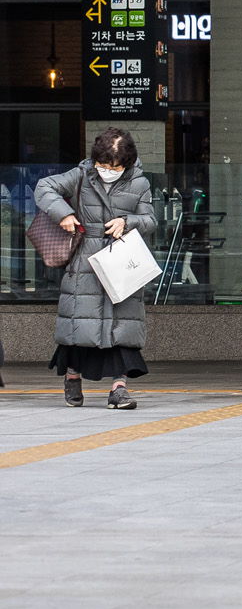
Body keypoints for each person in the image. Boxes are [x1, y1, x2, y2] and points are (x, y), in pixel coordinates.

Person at [36, 127, 156, 409]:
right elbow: (45, 187)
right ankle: (73, 378)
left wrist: (128, 221)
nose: (107, 171)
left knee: (121, 328)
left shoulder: (139, 183)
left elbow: (150, 220)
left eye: (113, 167)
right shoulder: (81, 175)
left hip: (121, 259)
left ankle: (119, 389)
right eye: (102, 166)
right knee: (80, 326)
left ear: (126, 163)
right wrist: (63, 213)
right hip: (85, 260)